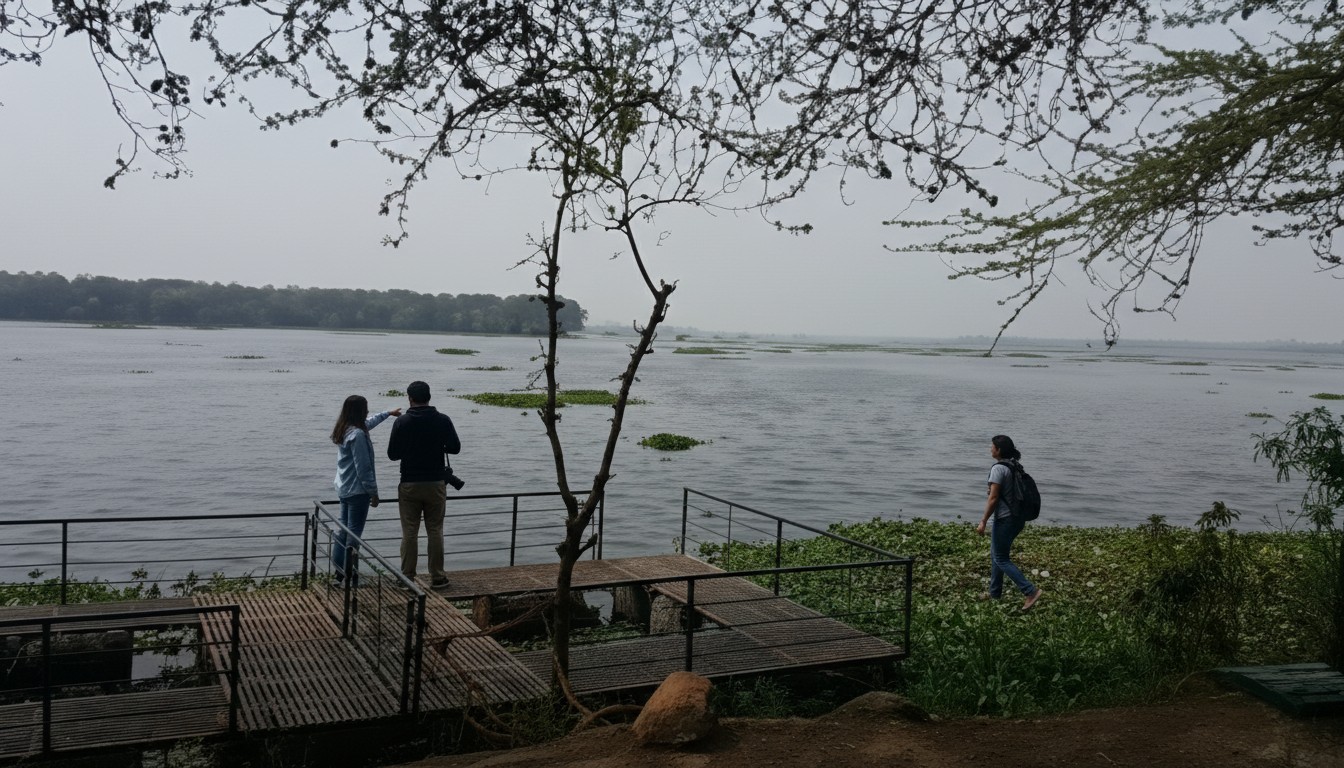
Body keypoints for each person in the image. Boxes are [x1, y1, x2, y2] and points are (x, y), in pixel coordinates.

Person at [386, 380, 461, 588]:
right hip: (436, 482)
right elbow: (455, 448)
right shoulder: (443, 420)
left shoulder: (402, 422)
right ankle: (438, 577)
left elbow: (393, 455)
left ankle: (407, 577)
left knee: (409, 531)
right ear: (429, 397)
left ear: (410, 398)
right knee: (435, 530)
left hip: (409, 483)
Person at [330, 395, 400, 582]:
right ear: (359, 411)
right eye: (365, 408)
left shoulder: (345, 429)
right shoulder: (358, 435)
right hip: (357, 491)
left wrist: (388, 414)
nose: (368, 411)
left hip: (344, 488)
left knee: (342, 530)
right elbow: (364, 468)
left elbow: (370, 422)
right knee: (354, 534)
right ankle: (350, 575)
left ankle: (338, 573)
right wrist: (374, 493)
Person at [976, 434, 1043, 611]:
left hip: (1005, 519)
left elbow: (994, 498)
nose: (990, 448)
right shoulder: (1014, 465)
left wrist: (983, 521)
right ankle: (994, 594)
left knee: (1001, 557)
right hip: (1017, 518)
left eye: (992, 446)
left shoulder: (998, 469)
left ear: (998, 450)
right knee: (996, 555)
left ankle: (1030, 591)